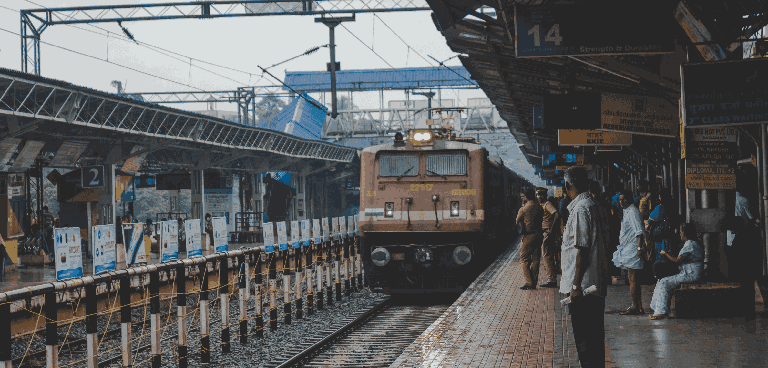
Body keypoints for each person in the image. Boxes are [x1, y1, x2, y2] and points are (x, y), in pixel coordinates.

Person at [560, 166, 610, 368]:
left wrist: (575, 286)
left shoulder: (581, 209)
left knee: (585, 342)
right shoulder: (596, 205)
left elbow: (582, 249)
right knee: (595, 339)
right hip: (595, 283)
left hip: (584, 289)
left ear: (567, 185)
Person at [649, 223, 704, 319]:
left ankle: (662, 312)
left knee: (664, 282)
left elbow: (677, 260)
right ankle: (656, 308)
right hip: (688, 272)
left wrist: (666, 253)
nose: (680, 234)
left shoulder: (690, 244)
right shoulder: (692, 243)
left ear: (685, 233)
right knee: (661, 280)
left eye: (681, 232)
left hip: (691, 274)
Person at [612, 190, 646, 315]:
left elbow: (639, 232)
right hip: (628, 249)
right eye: (620, 200)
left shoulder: (632, 212)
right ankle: (639, 306)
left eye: (624, 199)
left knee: (632, 280)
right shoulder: (628, 211)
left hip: (633, 250)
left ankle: (634, 306)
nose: (621, 202)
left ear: (630, 199)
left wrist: (638, 248)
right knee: (634, 280)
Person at [516, 188, 544, 290]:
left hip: (528, 236)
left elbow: (517, 221)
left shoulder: (523, 209)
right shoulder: (540, 207)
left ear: (526, 197)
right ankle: (534, 281)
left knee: (524, 259)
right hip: (539, 235)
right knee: (536, 259)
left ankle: (528, 282)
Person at [537, 188, 560, 288]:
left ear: (544, 195)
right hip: (545, 232)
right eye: (537, 195)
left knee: (547, 256)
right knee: (548, 255)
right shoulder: (542, 205)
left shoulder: (547, 204)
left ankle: (552, 280)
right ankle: (551, 278)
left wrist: (551, 229)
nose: (538, 197)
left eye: (540, 195)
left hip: (547, 233)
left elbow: (556, 214)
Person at [647, 190, 673, 260]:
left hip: (660, 238)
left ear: (660, 197)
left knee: (660, 257)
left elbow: (649, 221)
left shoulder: (659, 207)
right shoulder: (672, 207)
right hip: (669, 237)